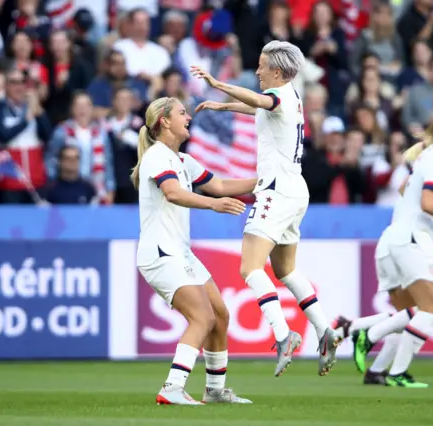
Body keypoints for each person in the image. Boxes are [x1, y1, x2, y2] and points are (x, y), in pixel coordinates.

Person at [190, 40, 338, 377]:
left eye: (261, 64)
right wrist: (223, 107)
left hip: (276, 190)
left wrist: (217, 83)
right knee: (285, 270)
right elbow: (260, 107)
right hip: (295, 191)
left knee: (249, 267)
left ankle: (284, 334)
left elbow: (260, 101)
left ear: (277, 70)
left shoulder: (278, 96)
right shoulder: (291, 99)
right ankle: (324, 330)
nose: (256, 70)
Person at [333, 142, 433, 385]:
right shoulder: (427, 186)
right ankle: (367, 335)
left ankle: (367, 355)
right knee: (428, 310)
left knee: (407, 317)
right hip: (407, 245)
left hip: (391, 244)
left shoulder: (412, 188)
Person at [133, 96, 254, 406]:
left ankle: (214, 391)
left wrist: (269, 182)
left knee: (220, 314)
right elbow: (172, 193)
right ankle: (172, 388)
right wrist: (213, 205)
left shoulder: (183, 160)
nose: (188, 117)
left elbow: (221, 185)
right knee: (202, 317)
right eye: (182, 113)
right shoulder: (158, 156)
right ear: (164, 122)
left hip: (179, 252)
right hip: (161, 252)